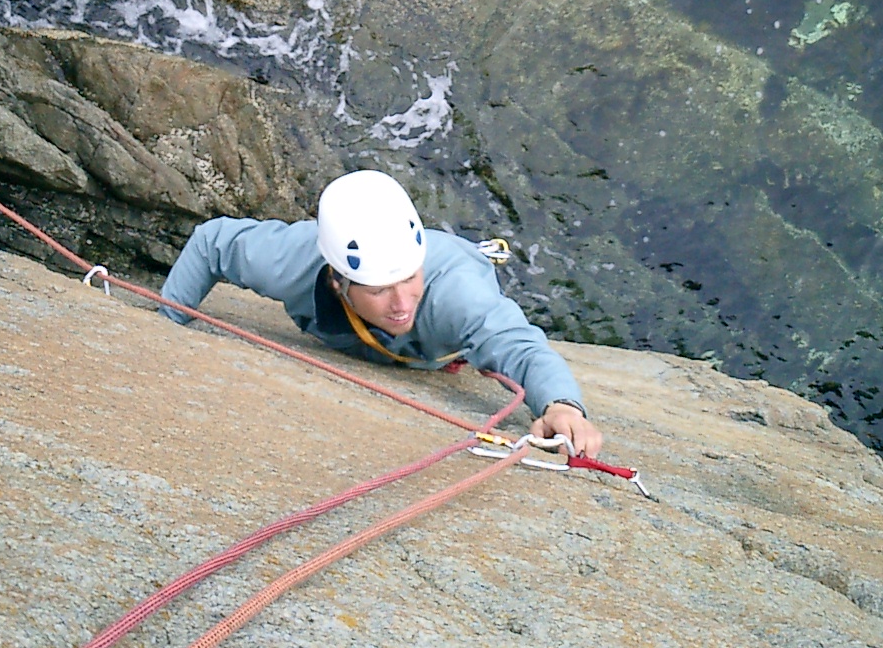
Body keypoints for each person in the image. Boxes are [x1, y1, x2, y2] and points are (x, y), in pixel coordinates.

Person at [161, 169, 604, 458]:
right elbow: (213, 242)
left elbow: (518, 345)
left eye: (409, 279)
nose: (402, 303)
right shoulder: (293, 261)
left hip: (455, 280)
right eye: (378, 290)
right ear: (338, 282)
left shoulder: (455, 294)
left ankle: (468, 252)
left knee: (450, 292)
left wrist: (562, 405)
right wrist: (166, 327)